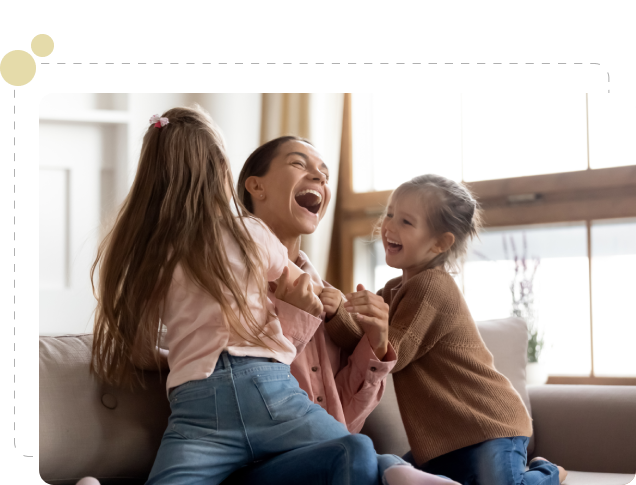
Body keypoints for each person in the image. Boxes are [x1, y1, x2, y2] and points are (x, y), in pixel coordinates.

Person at [85, 110, 453, 485]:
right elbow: (302, 289)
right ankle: (397, 470)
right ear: (228, 175)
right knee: (363, 454)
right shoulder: (251, 233)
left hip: (195, 402)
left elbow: (138, 349)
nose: (320, 176)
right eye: (299, 163)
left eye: (324, 170)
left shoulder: (145, 253)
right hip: (266, 387)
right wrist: (307, 309)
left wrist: (193, 359)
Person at [324, 174, 569, 485]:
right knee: (389, 471)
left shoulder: (432, 285)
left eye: (406, 222)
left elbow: (395, 353)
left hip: (489, 425)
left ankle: (548, 472)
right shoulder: (393, 290)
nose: (389, 226)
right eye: (389, 214)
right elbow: (362, 348)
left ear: (440, 242)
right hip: (443, 443)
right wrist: (334, 313)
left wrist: (349, 316)